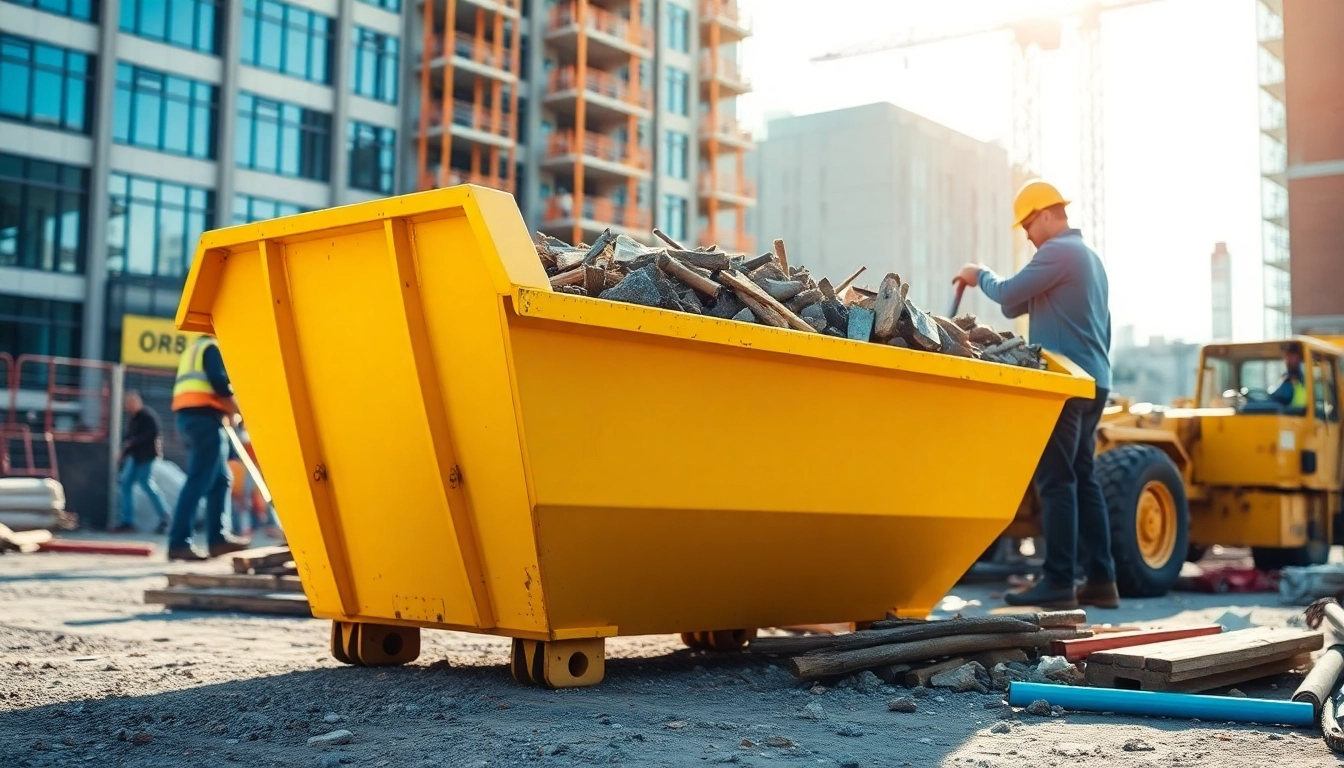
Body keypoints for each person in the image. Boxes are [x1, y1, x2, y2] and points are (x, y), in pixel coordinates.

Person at [953, 180, 1118, 610]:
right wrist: (1008, 290)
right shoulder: (1088, 259)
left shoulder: (1059, 252)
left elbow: (1005, 293)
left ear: (1047, 215)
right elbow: (1014, 306)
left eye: (1028, 223)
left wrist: (978, 274)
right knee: (1083, 477)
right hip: (1095, 380)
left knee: (1055, 479)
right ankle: (1101, 578)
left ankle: (1059, 580)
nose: (1025, 233)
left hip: (1066, 381)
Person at [167, 334, 250, 562]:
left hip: (192, 418)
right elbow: (220, 384)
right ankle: (179, 543)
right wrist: (240, 409)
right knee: (198, 480)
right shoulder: (213, 347)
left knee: (221, 479)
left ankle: (218, 540)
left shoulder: (195, 349)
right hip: (205, 420)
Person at [111, 390, 172, 535]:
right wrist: (124, 453)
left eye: (130, 402)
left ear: (137, 402)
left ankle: (165, 515)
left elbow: (151, 434)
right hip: (135, 457)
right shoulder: (134, 419)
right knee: (126, 484)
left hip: (146, 457)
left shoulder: (147, 416)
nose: (128, 406)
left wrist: (134, 442)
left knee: (146, 484)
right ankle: (127, 521)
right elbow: (129, 440)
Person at [1269, 342, 1307, 411]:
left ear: (1298, 357)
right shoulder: (1285, 380)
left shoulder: (1304, 380)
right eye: (1287, 356)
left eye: (1292, 355)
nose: (1288, 359)